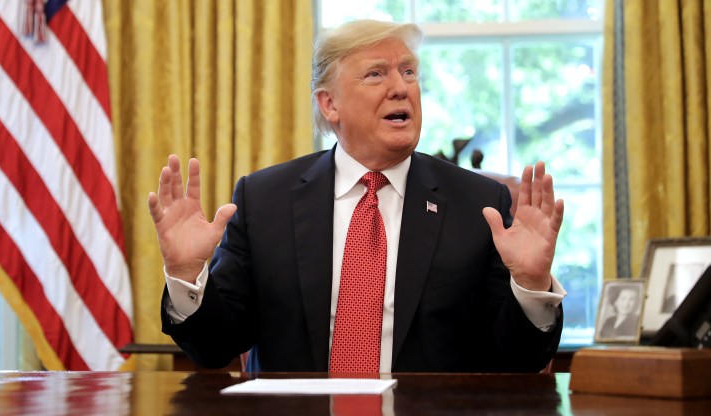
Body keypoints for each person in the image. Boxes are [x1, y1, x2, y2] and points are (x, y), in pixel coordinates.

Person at [149, 19, 566, 373]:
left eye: (408, 72)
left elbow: (519, 362)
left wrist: (530, 287)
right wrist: (186, 277)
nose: (401, 88)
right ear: (330, 104)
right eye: (376, 74)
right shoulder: (264, 200)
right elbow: (216, 347)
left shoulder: (479, 203)